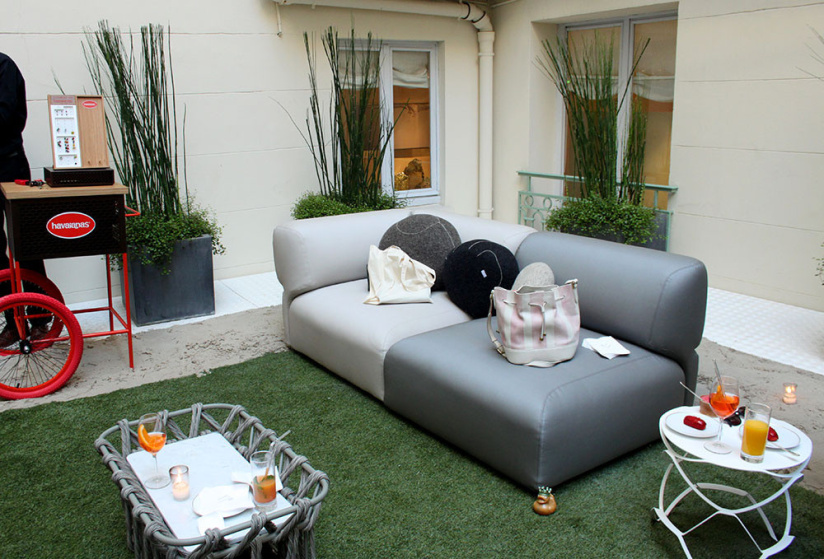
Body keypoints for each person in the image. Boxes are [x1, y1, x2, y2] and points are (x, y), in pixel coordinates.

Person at [0, 52, 49, 346]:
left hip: (8, 166)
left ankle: (40, 318)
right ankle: (12, 321)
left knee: (26, 243)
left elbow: (4, 117)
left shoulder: (3, 66)